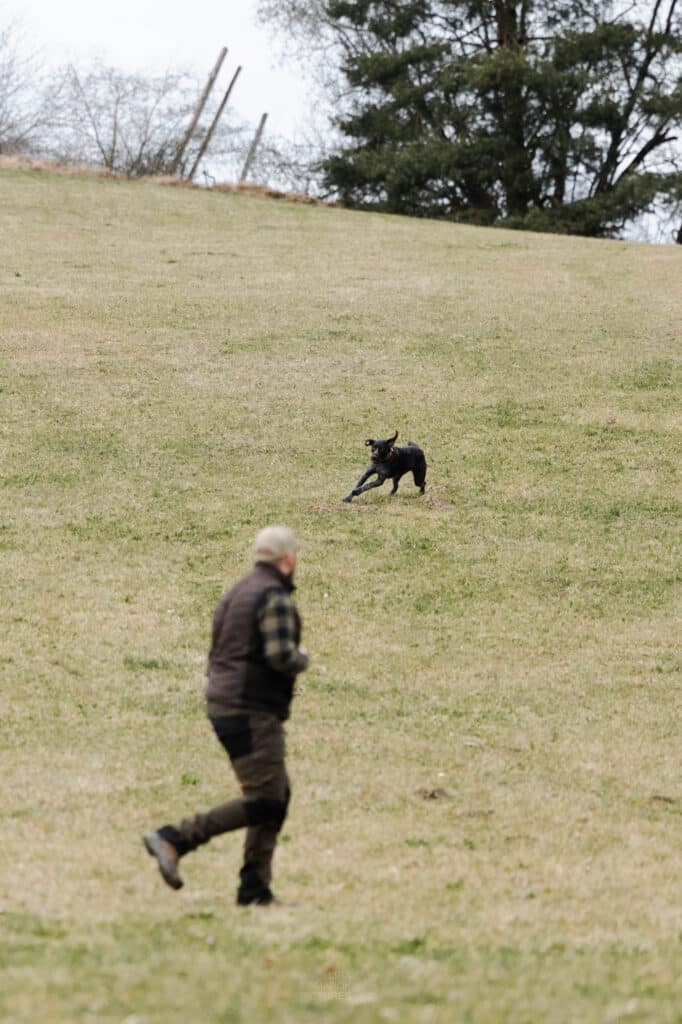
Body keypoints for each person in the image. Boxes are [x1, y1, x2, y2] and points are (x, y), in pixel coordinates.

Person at [143, 524, 309, 906]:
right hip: (250, 708)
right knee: (267, 799)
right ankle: (176, 838)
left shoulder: (238, 591)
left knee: (276, 794)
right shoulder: (273, 597)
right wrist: (303, 659)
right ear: (287, 560)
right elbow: (281, 655)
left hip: (223, 703)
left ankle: (255, 891)